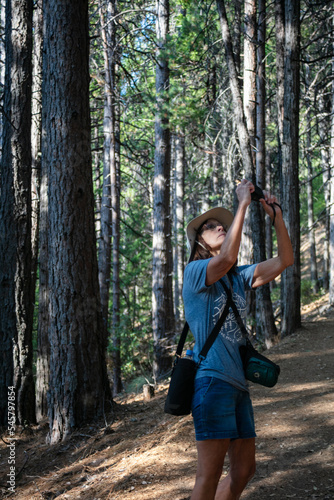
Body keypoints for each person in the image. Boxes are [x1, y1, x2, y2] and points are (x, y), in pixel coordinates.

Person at [182, 179, 294, 500]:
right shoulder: (194, 271)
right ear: (199, 241)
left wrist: (278, 219)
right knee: (208, 475)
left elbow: (284, 260)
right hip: (212, 382)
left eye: (222, 225)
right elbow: (226, 259)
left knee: (245, 470)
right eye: (211, 227)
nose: (219, 228)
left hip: (238, 386)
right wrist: (243, 204)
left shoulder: (237, 276)